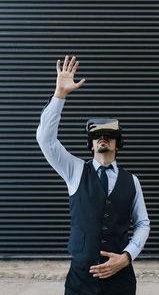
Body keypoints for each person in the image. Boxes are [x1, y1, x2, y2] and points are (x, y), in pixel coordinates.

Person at [36, 55, 150, 295]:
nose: (102, 138)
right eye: (97, 136)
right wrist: (60, 95)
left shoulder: (132, 181)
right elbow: (45, 140)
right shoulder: (74, 169)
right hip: (81, 279)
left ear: (117, 145)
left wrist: (127, 257)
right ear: (91, 145)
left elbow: (142, 223)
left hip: (121, 279)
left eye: (109, 135)